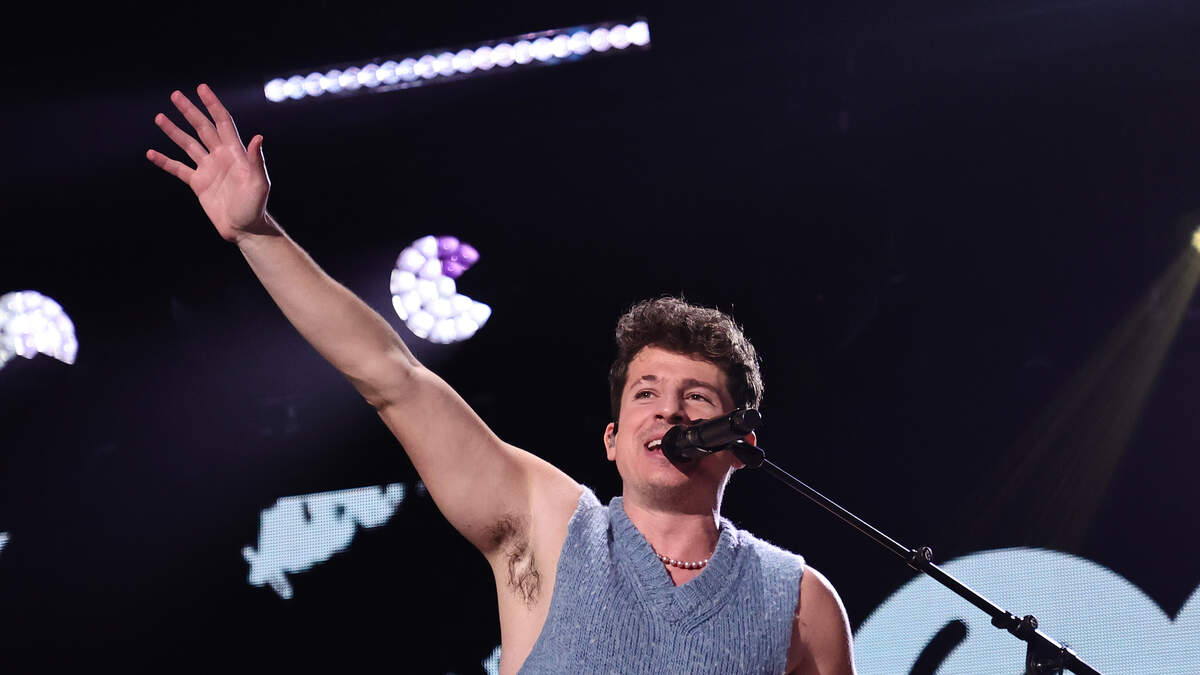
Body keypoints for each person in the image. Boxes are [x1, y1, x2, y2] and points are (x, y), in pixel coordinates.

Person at [148, 84, 856, 674]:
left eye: (695, 398)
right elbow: (392, 376)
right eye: (645, 393)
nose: (667, 412)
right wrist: (258, 234)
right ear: (611, 439)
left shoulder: (799, 603)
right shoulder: (547, 525)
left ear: (739, 443)